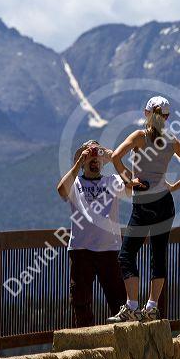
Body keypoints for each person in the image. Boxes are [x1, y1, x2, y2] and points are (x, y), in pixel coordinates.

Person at [107, 96, 180, 323]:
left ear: (146, 113)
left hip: (144, 202)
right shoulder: (172, 140)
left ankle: (132, 306)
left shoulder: (139, 137)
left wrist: (128, 180)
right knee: (158, 256)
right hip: (165, 203)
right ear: (167, 117)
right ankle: (152, 307)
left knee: (127, 255)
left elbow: (114, 157)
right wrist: (173, 187)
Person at [57, 139, 129, 327]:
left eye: (97, 156)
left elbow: (132, 185)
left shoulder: (112, 181)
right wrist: (77, 164)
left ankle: (121, 343)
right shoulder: (76, 183)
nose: (94, 159)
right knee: (80, 301)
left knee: (119, 300)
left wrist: (114, 158)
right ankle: (84, 342)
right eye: (89, 156)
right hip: (81, 249)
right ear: (82, 162)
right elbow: (61, 191)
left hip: (109, 249)